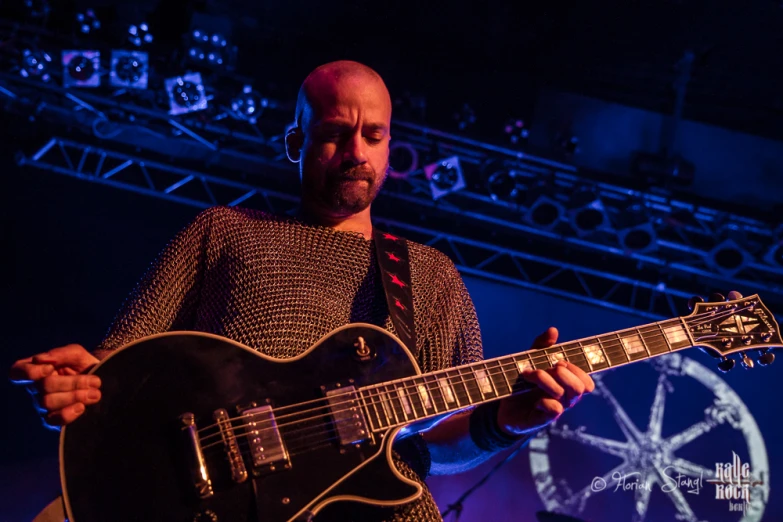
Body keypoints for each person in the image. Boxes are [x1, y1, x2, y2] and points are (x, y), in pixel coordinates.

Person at [10, 60, 594, 521]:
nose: (356, 152)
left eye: (374, 134)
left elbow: (439, 444)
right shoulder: (222, 232)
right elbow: (125, 362)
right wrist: (85, 385)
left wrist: (507, 421)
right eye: (336, 133)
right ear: (296, 141)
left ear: (391, 148)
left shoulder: (431, 277)